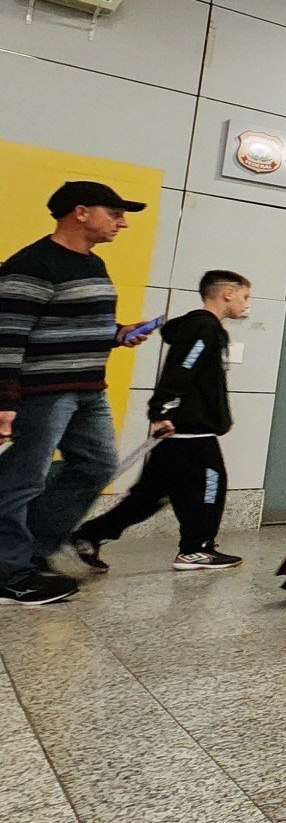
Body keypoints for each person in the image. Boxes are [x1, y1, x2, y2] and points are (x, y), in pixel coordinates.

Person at [0, 182, 155, 606]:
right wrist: (5, 403)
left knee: (96, 466)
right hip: (41, 393)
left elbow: (76, 325)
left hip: (88, 390)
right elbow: (7, 337)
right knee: (21, 479)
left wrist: (118, 334)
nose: (122, 222)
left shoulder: (94, 265)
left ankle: (28, 555)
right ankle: (8, 571)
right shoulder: (32, 265)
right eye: (115, 213)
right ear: (80, 212)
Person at [73, 270, 253, 572]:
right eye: (245, 296)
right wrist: (163, 412)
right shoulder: (205, 328)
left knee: (149, 496)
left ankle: (87, 537)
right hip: (189, 430)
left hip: (181, 430)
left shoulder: (202, 328)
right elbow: (182, 369)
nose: (247, 304)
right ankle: (197, 549)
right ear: (228, 293)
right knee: (212, 483)